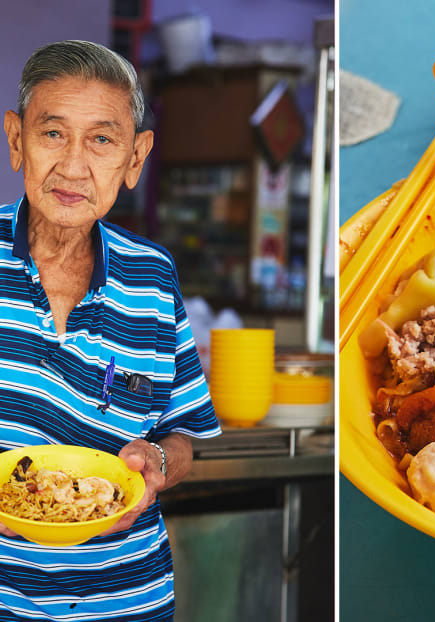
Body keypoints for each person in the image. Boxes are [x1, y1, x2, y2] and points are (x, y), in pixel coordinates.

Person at [0, 40, 221, 620]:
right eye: (53, 134)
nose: (74, 166)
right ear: (17, 139)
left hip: (128, 601)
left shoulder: (152, 276)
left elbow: (183, 438)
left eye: (102, 139)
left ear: (135, 158)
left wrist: (158, 464)